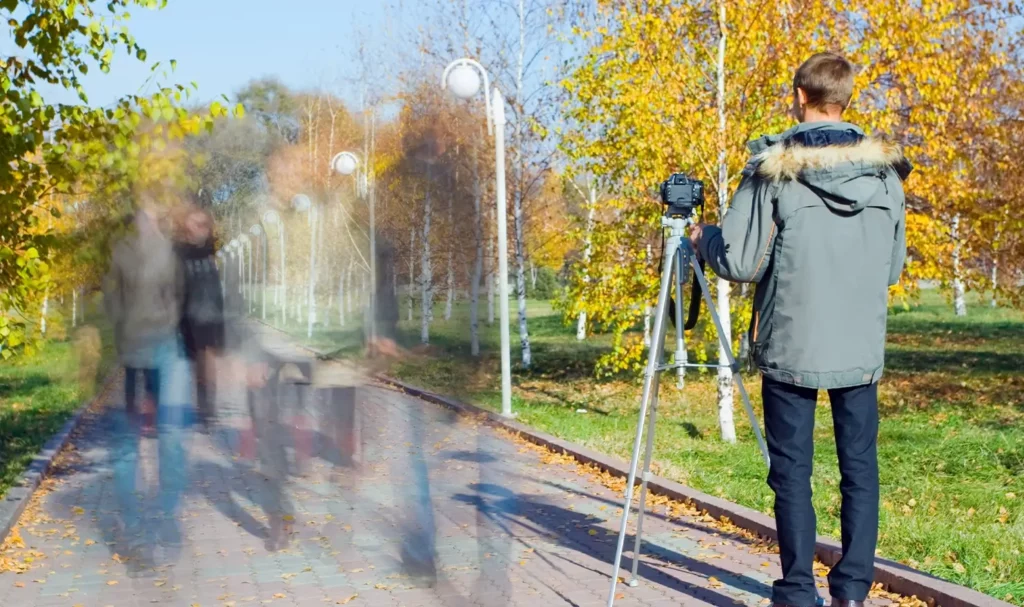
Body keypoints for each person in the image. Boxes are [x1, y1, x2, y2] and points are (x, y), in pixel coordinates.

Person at [690, 52, 909, 607]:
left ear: (799, 96)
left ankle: (796, 591)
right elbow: (892, 269)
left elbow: (738, 262)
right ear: (846, 100)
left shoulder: (774, 169)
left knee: (792, 470)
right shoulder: (887, 175)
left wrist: (703, 237)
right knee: (859, 467)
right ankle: (853, 591)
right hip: (858, 346)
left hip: (790, 339)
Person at [173, 203, 225, 428]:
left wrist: (221, 326)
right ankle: (178, 409)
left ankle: (207, 410)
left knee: (207, 368)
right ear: (186, 226)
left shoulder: (210, 256)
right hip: (186, 318)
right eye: (197, 224)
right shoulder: (178, 254)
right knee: (187, 367)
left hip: (209, 319)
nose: (202, 229)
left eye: (205, 225)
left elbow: (216, 291)